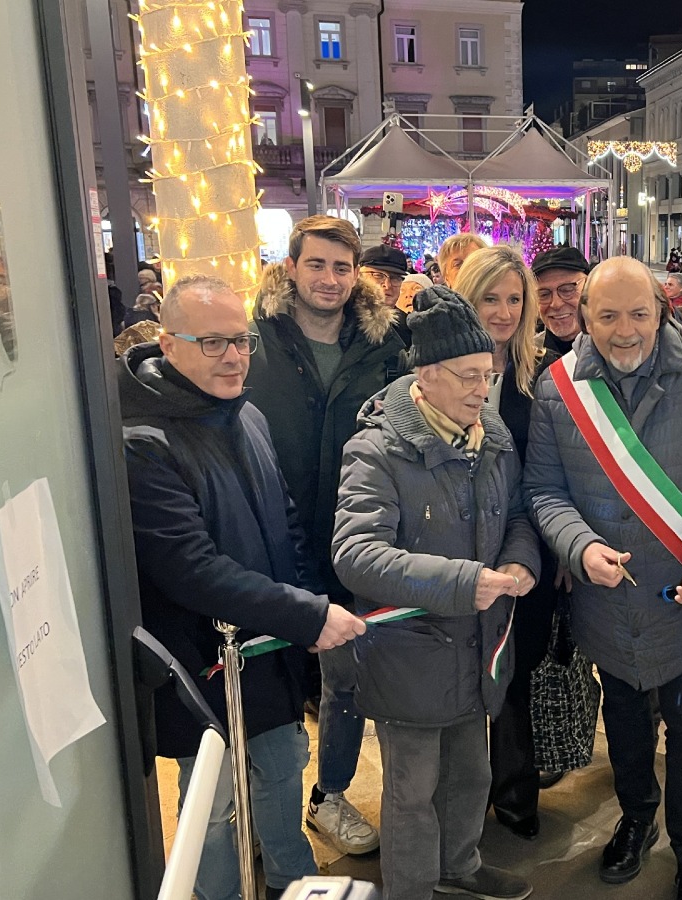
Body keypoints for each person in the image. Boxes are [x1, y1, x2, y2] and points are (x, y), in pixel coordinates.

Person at [524, 257, 682, 900]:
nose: (625, 330)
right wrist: (578, 549)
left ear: (661, 310)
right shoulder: (559, 388)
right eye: (607, 316)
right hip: (607, 603)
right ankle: (636, 820)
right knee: (626, 720)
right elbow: (545, 492)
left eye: (638, 313)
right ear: (584, 317)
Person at [121, 275, 366, 900]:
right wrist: (306, 616)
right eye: (212, 343)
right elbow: (190, 569)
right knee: (214, 795)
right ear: (168, 344)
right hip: (202, 658)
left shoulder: (247, 413)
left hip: (268, 647)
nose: (234, 356)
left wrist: (308, 606)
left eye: (242, 340)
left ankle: (294, 882)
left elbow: (284, 519)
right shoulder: (143, 440)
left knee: (282, 768)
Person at [332, 286, 539, 900]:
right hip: (412, 654)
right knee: (411, 793)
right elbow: (356, 555)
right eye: (469, 376)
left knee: (470, 775)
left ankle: (461, 870)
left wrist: (520, 562)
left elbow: (521, 515)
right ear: (426, 376)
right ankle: (413, 890)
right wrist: (465, 582)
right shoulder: (377, 449)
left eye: (488, 374)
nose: (483, 388)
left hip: (477, 646)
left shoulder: (491, 435)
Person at [247, 215, 407, 858]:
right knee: (277, 687)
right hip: (272, 538)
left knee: (349, 675)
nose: (329, 279)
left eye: (342, 267)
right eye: (316, 265)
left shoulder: (385, 344)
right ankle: (270, 819)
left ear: (357, 275)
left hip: (356, 534)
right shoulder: (256, 342)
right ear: (291, 268)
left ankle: (330, 795)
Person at [454, 246, 561, 839]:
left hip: (526, 544)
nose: (502, 311)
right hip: (454, 542)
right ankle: (464, 798)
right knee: (462, 674)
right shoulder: (436, 367)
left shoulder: (540, 375)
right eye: (490, 298)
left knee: (516, 670)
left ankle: (516, 790)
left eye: (514, 299)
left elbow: (554, 470)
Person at [530, 246, 590, 356]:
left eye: (567, 290)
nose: (556, 304)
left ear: (589, 288)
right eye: (544, 294)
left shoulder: (615, 351)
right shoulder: (527, 359)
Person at [359, 244, 409, 309]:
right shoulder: (343, 315)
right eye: (378, 276)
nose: (387, 285)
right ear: (359, 276)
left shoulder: (407, 319)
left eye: (395, 278)